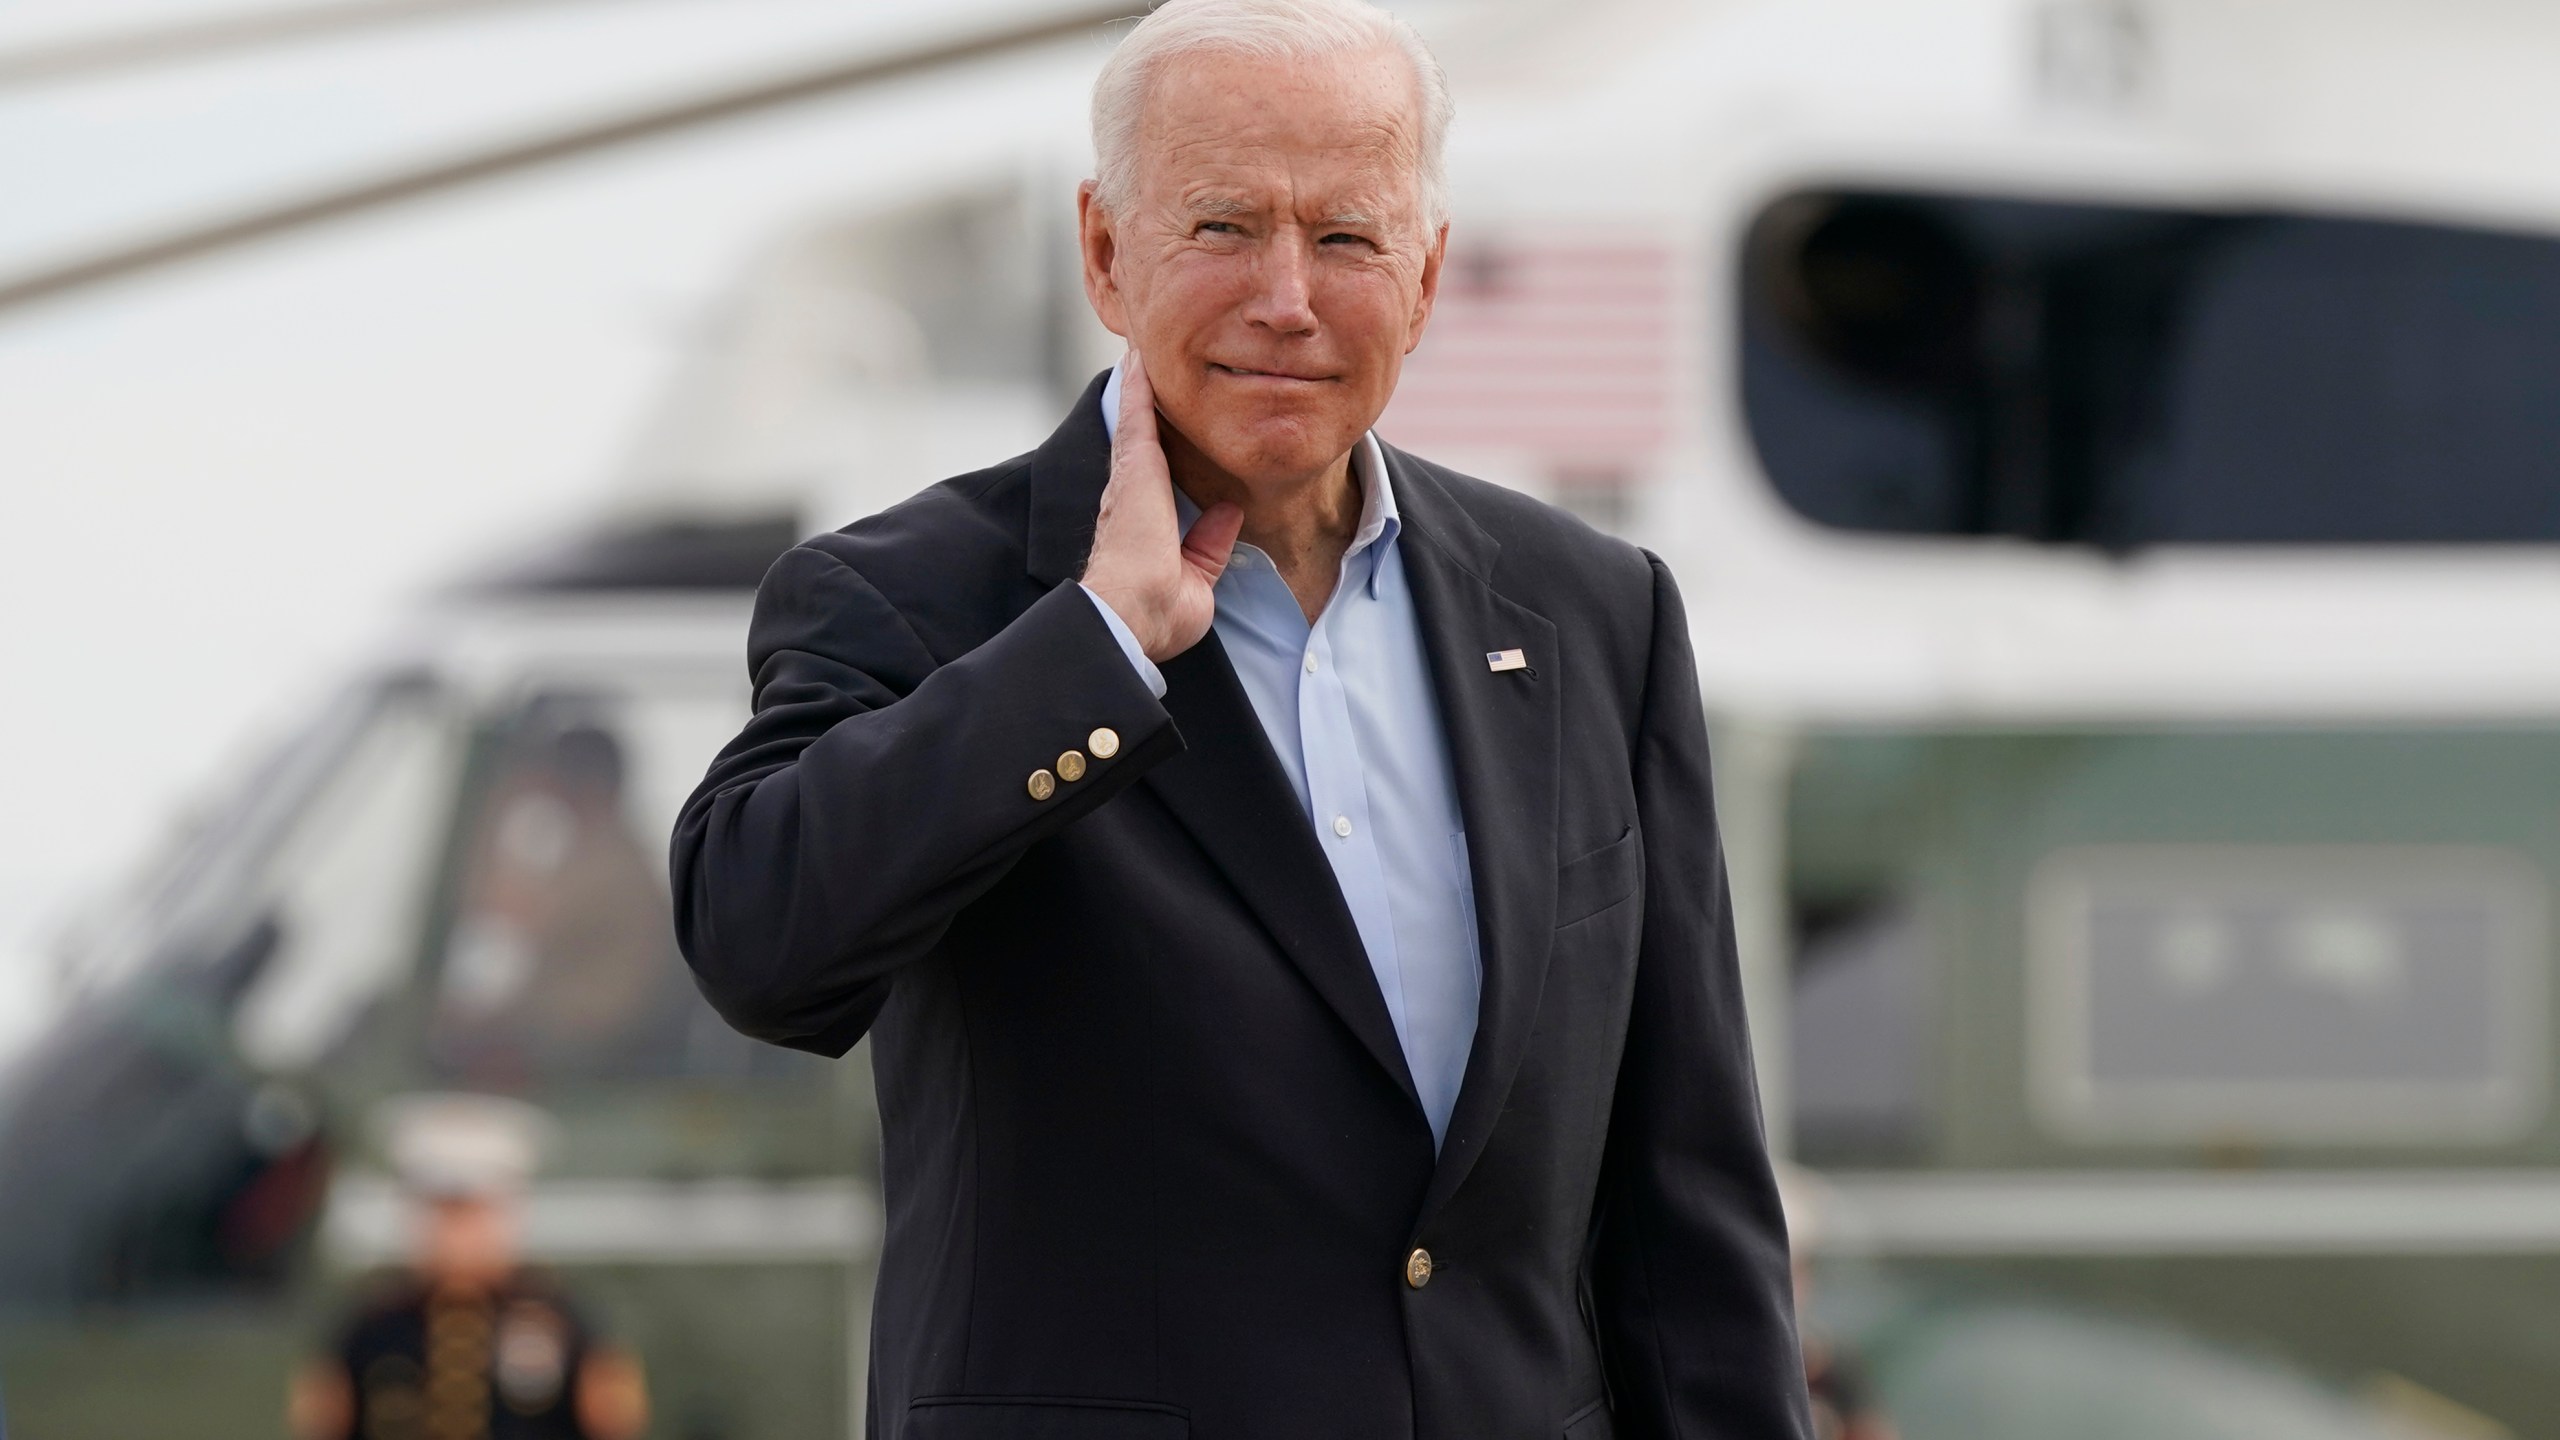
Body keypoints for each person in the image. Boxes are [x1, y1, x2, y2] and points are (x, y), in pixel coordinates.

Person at [671, 1, 1811, 1435]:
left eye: (1347, 237)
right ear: (1103, 250)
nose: (1289, 296)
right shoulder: (908, 598)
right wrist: (1092, 647)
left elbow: (1690, 1199)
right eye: (1224, 228)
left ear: (1430, 271)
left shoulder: (1594, 615)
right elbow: (758, 946)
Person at [287, 1095, 649, 1440]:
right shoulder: (372, 1324)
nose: (456, 1233)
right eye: (442, 1213)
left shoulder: (561, 1321)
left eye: (472, 1213)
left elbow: (609, 1424)